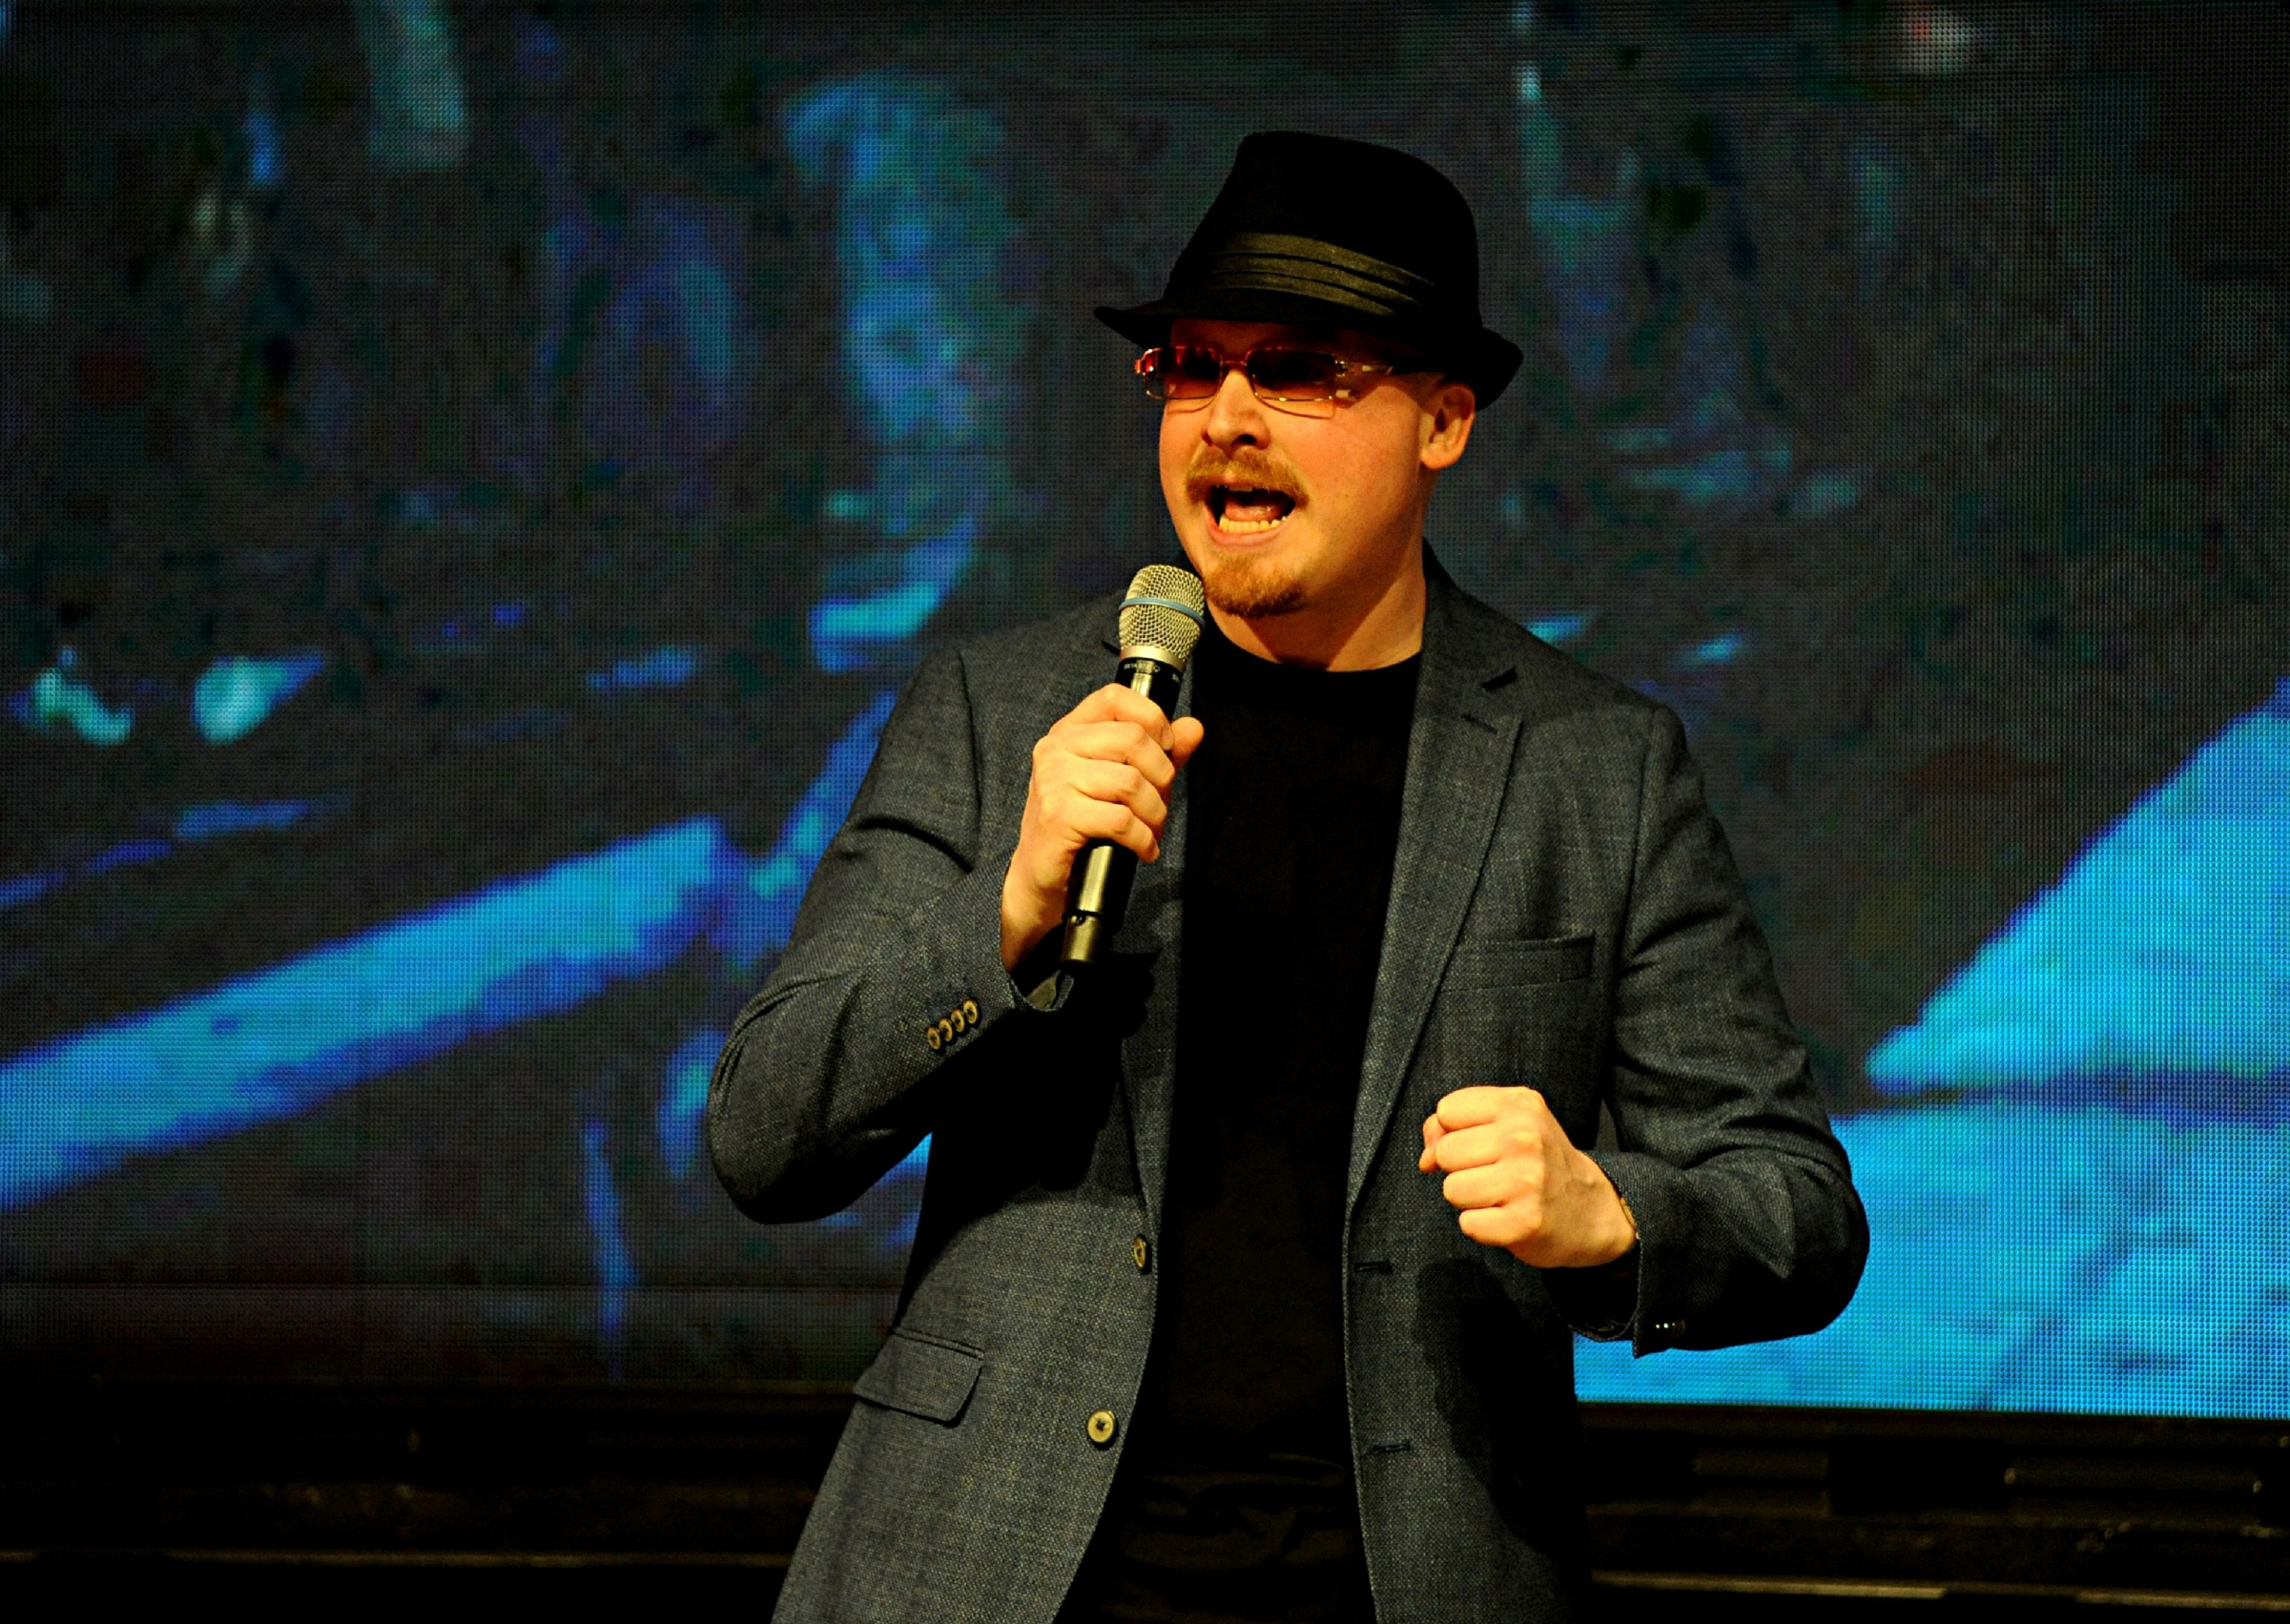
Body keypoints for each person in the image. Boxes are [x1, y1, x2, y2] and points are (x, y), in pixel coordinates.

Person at [709, 131, 1867, 1624]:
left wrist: (1615, 1221)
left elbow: (1796, 1211)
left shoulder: (1593, 768)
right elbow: (762, 1137)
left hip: (1399, 1582)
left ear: (1443, 420)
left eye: (1299, 370)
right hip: (991, 1570)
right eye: (1191, 368)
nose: (1228, 420)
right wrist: (1001, 917)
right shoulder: (1004, 717)